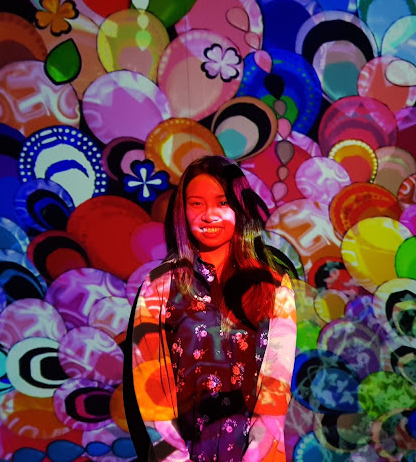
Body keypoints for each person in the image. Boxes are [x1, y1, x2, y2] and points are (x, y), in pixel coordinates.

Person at [123, 155, 297, 462]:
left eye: (222, 202)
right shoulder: (159, 286)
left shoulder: (273, 285)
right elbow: (150, 388)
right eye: (196, 204)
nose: (209, 215)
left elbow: (276, 386)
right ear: (183, 211)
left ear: (239, 208)